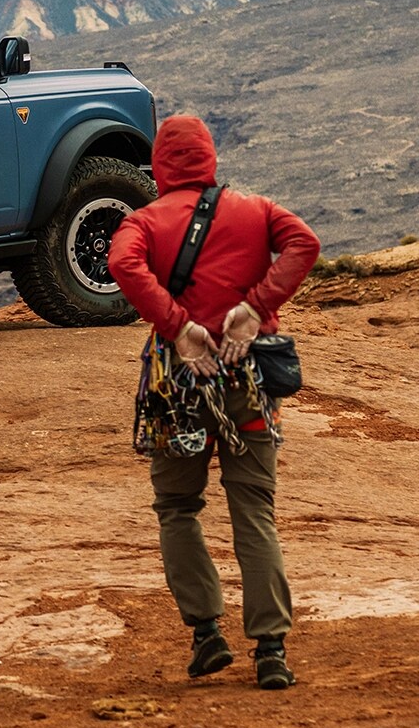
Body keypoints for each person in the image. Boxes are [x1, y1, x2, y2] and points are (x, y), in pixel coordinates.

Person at [106, 114, 320, 688]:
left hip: (177, 386)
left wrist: (176, 325)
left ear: (158, 167)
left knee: (179, 509)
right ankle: (271, 649)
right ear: (210, 158)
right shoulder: (256, 211)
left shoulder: (145, 222)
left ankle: (207, 636)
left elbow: (121, 263)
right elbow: (306, 243)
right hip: (248, 379)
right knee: (254, 509)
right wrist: (253, 308)